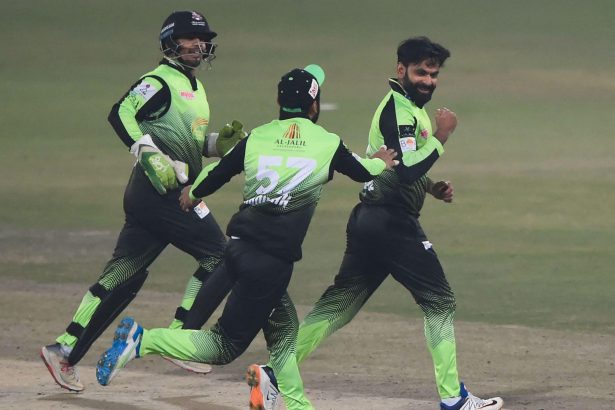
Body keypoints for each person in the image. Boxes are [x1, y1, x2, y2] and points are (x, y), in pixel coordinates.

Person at [94, 64, 398, 410]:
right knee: (224, 346)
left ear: (279, 102)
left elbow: (218, 171)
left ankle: (293, 403)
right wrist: (382, 161)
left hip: (238, 248)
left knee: (284, 329)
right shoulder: (327, 143)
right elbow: (363, 171)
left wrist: (193, 193)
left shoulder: (258, 136)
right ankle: (142, 341)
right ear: (314, 106)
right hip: (270, 261)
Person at [288, 37, 505, 410]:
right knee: (440, 302)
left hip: (371, 220)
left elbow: (401, 166)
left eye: (434, 75)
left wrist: (430, 187)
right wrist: (442, 136)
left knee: (341, 303)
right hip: (391, 222)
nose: (429, 81)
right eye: (421, 72)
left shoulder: (409, 109)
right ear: (400, 70)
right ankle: (453, 398)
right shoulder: (399, 111)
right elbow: (404, 172)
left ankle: (277, 371)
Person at [40, 10, 245, 392]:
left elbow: (187, 143)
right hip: (162, 194)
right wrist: (146, 151)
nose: (198, 45)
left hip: (157, 197)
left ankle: (64, 350)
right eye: (190, 38)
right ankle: (182, 337)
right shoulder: (159, 81)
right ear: (170, 42)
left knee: (123, 276)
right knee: (222, 256)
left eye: (202, 39)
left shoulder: (195, 88)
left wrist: (218, 145)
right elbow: (120, 112)